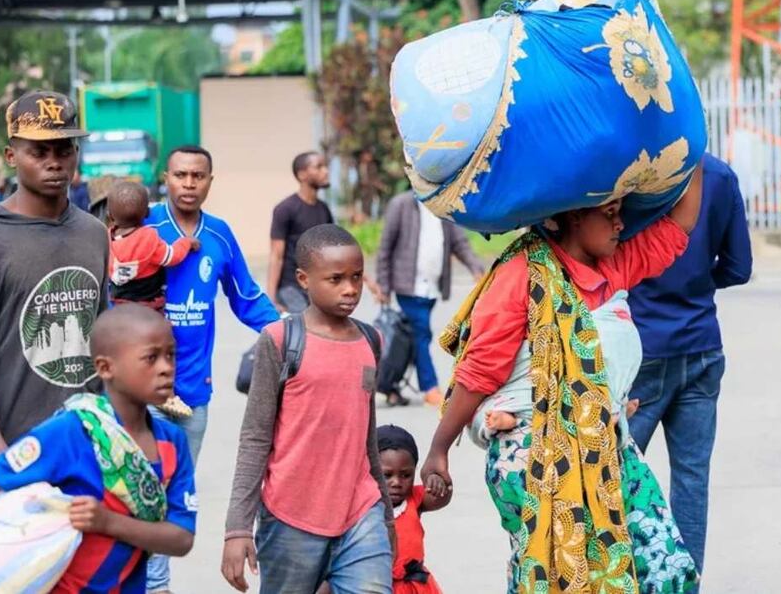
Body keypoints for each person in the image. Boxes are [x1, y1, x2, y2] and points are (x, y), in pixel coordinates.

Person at [421, 166, 704, 593]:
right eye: (609, 213)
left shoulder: (613, 266)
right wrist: (439, 449)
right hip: (532, 456)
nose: (620, 224)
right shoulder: (522, 275)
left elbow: (680, 224)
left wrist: (694, 144)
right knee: (557, 578)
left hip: (607, 448)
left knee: (668, 570)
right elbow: (479, 372)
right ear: (573, 216)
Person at [222, 224, 393, 594]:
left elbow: (366, 437)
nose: (350, 289)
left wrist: (386, 517)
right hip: (290, 518)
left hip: (360, 512)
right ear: (303, 279)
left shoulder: (371, 341)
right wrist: (237, 528)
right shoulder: (281, 340)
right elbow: (255, 437)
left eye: (357, 277)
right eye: (335, 279)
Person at [0, 304, 197, 593]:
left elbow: (182, 538)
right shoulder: (70, 431)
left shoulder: (172, 442)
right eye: (151, 358)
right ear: (105, 368)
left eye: (170, 355)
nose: (166, 368)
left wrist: (108, 523)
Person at [145, 145, 279, 592]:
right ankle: (153, 586)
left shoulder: (219, 235)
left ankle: (152, 581)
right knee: (140, 492)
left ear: (209, 182)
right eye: (180, 175)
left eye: (197, 176)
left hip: (191, 397)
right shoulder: (144, 227)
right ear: (166, 178)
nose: (188, 183)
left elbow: (247, 297)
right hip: (141, 394)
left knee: (169, 495)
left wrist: (292, 332)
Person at [623, 154, 752, 575]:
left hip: (639, 348)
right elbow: (739, 267)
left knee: (613, 473)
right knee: (692, 479)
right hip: (701, 343)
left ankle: (620, 577)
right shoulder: (719, 175)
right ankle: (685, 582)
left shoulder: (632, 168)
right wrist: (695, 282)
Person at [0, 91, 108, 457]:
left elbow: (100, 336)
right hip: (16, 449)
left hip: (88, 445)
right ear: (11, 156)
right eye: (39, 152)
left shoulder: (93, 232)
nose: (54, 162)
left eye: (64, 150)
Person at [376, 190, 484, 406]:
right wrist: (383, 286)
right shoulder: (401, 205)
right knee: (421, 333)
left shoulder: (443, 205)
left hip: (432, 289)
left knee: (414, 337)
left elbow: (459, 243)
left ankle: (389, 383)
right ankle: (429, 387)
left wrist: (476, 269)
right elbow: (385, 248)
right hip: (408, 287)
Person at [377, 424, 451, 594]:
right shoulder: (364, 506)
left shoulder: (414, 499)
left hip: (414, 587)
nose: (396, 482)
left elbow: (440, 498)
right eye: (387, 475)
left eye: (406, 475)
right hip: (375, 585)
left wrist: (438, 481)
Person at [108, 180, 200, 311]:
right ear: (147, 212)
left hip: (118, 305)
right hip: (149, 307)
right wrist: (186, 242)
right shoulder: (149, 239)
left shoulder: (107, 240)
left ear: (110, 216)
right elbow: (172, 257)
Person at [268, 151, 334, 313]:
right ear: (302, 174)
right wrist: (270, 298)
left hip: (316, 287)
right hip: (290, 288)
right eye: (318, 167)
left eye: (325, 166)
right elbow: (276, 255)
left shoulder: (324, 209)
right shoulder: (285, 209)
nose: (325, 171)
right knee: (304, 326)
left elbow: (332, 249)